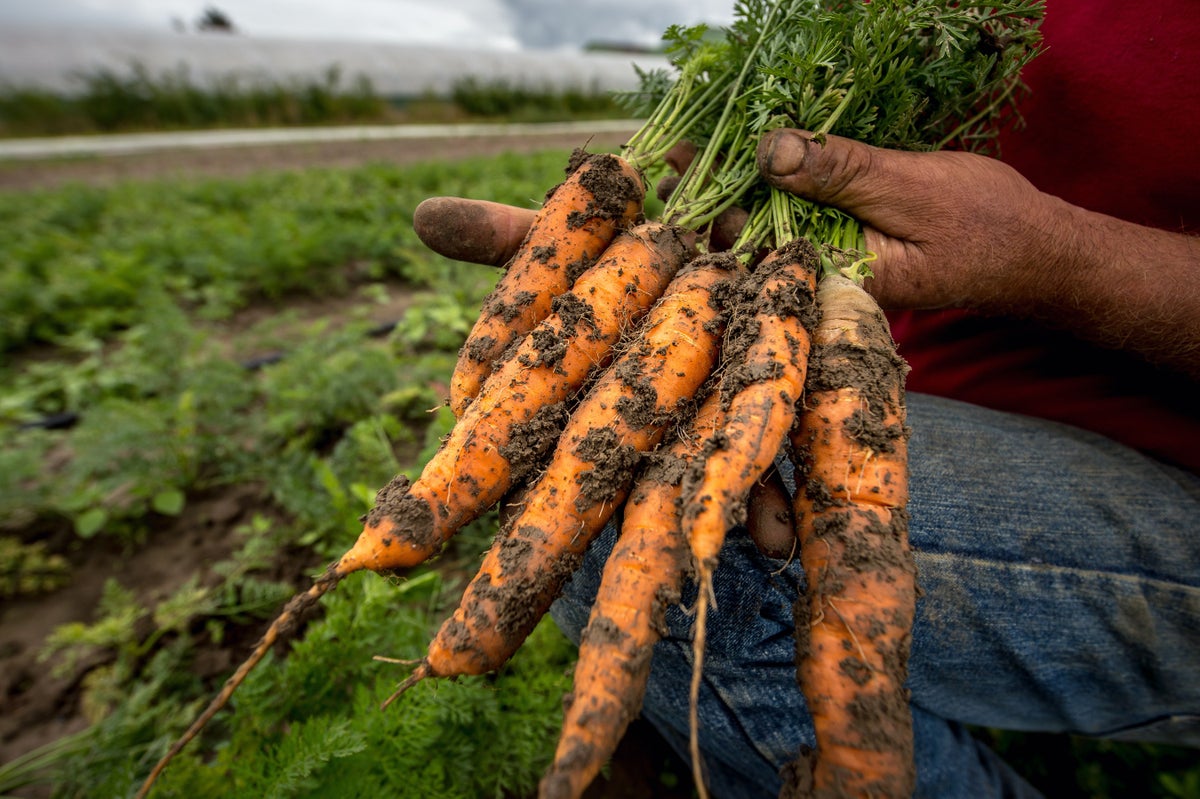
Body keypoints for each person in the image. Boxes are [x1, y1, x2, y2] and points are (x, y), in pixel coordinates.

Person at [414, 2, 1200, 795]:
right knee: (615, 468)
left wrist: (1054, 257)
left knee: (693, 545)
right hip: (899, 370)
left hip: (1169, 466)